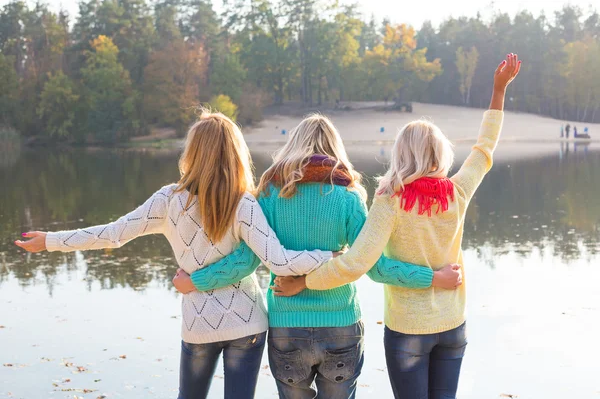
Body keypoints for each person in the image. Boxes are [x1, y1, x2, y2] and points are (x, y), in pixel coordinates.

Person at [13, 111, 335, 399]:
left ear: (192, 152)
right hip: (246, 324)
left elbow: (113, 234)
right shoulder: (244, 203)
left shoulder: (169, 200)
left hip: (198, 325)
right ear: (235, 153)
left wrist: (51, 241)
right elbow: (278, 261)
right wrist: (330, 255)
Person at [272, 53, 521, 399]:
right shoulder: (458, 192)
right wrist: (499, 89)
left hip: (408, 330)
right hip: (453, 326)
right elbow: (484, 149)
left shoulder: (390, 200)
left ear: (401, 154)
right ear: (441, 154)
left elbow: (357, 264)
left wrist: (305, 281)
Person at [172, 115, 462, 399]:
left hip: (287, 326)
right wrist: (433, 277)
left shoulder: (269, 196)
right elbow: (374, 267)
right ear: (335, 149)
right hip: (341, 324)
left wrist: (197, 280)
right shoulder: (348, 198)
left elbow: (246, 260)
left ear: (293, 147)